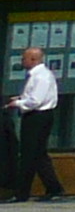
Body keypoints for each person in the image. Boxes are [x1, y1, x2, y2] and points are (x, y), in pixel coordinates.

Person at [6, 48, 59, 201]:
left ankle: (22, 193)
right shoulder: (38, 75)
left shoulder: (41, 77)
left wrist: (17, 103)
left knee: (29, 154)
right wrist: (21, 97)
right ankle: (53, 187)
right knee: (38, 154)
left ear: (34, 59)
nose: (22, 62)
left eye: (24, 59)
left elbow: (36, 101)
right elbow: (33, 96)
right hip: (38, 116)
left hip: (37, 116)